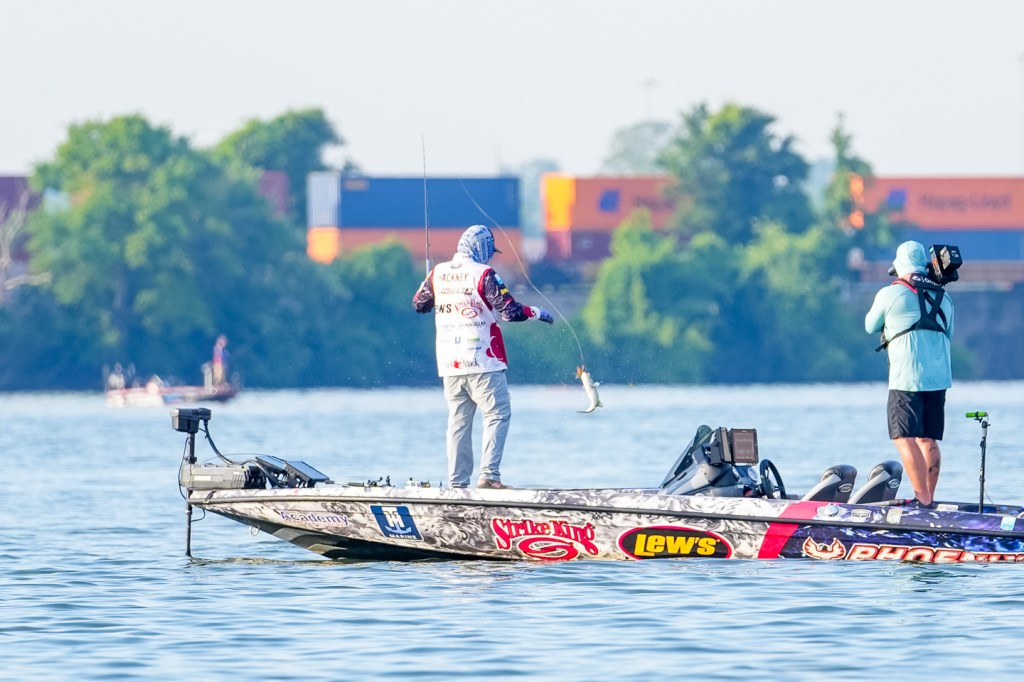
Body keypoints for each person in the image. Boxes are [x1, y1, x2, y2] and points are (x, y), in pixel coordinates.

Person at [413, 224, 554, 489]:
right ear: (481, 248)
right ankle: (489, 477)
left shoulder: (437, 273)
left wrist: (432, 283)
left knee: (458, 422)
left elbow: (419, 304)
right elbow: (509, 312)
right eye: (489, 251)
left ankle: (457, 485)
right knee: (498, 413)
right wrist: (537, 312)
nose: (490, 257)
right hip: (483, 360)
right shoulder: (484, 274)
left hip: (450, 364)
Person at [865, 240, 954, 508]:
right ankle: (929, 499)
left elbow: (870, 325)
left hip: (907, 377)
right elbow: (948, 334)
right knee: (927, 438)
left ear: (900, 266)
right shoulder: (945, 297)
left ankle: (921, 499)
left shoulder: (890, 294)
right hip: (938, 378)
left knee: (903, 437)